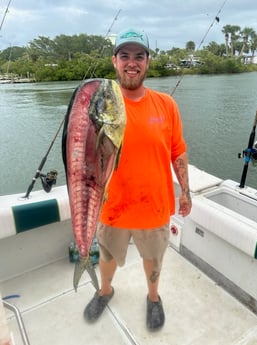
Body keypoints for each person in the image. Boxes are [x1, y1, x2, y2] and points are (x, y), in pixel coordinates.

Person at [84, 28, 192, 331]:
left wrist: (185, 191)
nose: (132, 62)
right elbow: (84, 153)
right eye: (125, 56)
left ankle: (154, 297)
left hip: (155, 205)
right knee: (106, 256)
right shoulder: (100, 107)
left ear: (147, 61)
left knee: (153, 259)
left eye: (139, 56)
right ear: (114, 61)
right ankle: (105, 290)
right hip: (112, 205)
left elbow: (178, 151)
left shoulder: (166, 105)